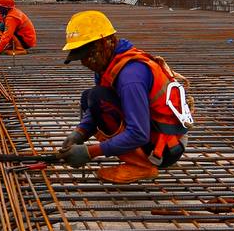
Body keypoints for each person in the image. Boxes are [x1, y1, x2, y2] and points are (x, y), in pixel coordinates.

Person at [54, 10, 191, 184]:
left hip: (164, 148)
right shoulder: (107, 62)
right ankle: (136, 158)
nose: (85, 63)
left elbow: (138, 134)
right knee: (89, 97)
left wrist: (91, 152)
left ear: (104, 43)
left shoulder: (130, 76)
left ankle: (142, 166)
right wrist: (79, 133)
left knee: (97, 97)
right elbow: (96, 107)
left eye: (87, 55)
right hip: (152, 133)